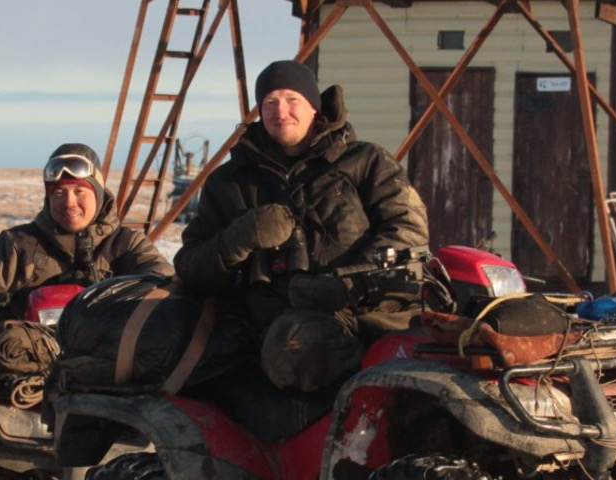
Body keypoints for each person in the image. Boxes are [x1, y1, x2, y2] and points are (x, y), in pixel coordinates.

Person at [174, 60, 429, 398]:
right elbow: (190, 268)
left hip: (376, 312)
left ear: (314, 106)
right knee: (295, 347)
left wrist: (346, 285)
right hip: (283, 329)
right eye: (270, 102)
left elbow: (407, 230)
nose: (281, 111)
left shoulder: (368, 162)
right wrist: (238, 239)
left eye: (292, 99)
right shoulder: (229, 182)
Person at [0, 143, 173, 330]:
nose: (68, 203)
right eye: (58, 193)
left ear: (99, 194)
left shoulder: (127, 244)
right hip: (23, 358)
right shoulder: (17, 244)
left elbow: (164, 281)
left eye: (79, 192)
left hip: (110, 360)